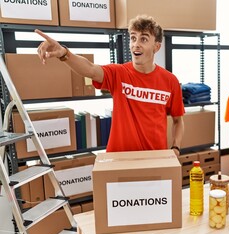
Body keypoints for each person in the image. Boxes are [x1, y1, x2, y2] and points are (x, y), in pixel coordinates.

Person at [35, 15, 185, 156]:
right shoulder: (119, 73)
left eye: (143, 39)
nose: (136, 45)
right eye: (133, 38)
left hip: (156, 158)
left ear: (156, 47)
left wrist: (176, 147)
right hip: (119, 159)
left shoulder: (170, 81)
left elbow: (178, 120)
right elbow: (90, 69)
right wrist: (63, 53)